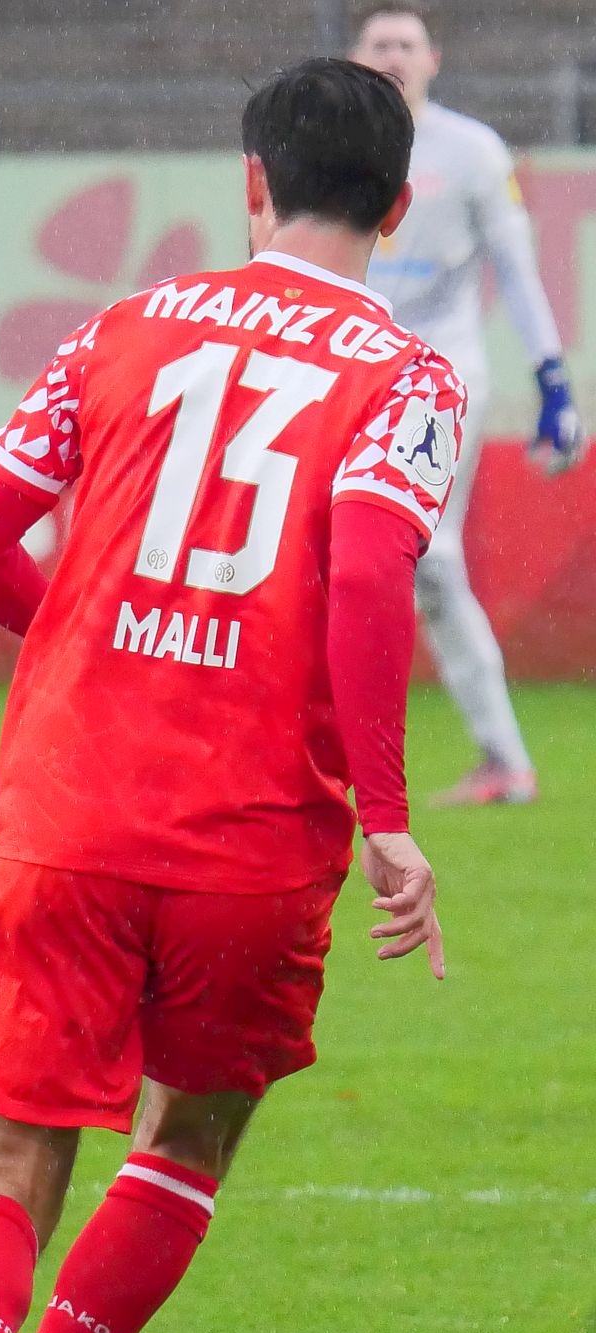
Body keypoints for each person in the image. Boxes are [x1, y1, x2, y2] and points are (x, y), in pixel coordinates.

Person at [0, 60, 459, 1333]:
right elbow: (369, 582)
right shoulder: (407, 376)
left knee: (11, 1152)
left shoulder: (123, 327)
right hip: (254, 842)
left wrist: (76, 640)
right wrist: (390, 821)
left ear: (251, 183)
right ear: (398, 207)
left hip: (70, 809)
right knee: (187, 1143)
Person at [349, 4, 586, 805]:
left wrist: (552, 377)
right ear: (356, 56)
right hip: (348, 366)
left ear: (434, 59)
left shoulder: (473, 150)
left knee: (430, 557)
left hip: (439, 371)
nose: (393, 55)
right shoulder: (333, 141)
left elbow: (517, 268)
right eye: (379, 43)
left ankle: (504, 759)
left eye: (406, 43)